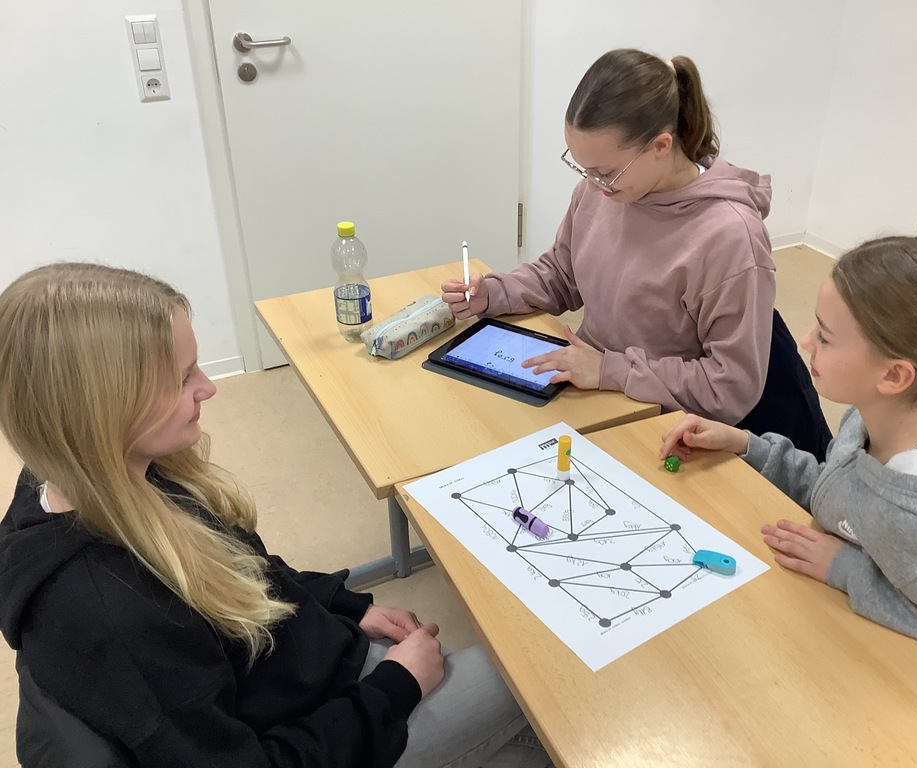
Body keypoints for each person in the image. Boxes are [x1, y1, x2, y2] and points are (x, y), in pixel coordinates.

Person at [0, 262, 552, 767]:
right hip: (312, 733)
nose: (209, 388)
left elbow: (243, 571)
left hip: (306, 674)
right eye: (182, 378)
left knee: (535, 723)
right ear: (102, 410)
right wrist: (395, 687)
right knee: (542, 682)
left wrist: (341, 604)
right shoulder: (112, 613)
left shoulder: (98, 473)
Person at [659, 235, 917, 680]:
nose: (805, 341)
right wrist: (745, 444)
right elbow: (841, 490)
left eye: (826, 337)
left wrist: (854, 573)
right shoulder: (873, 418)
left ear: (895, 375)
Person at [441, 48, 831, 459]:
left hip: (665, 425)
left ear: (661, 145)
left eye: (606, 172)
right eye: (582, 168)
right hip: (595, 393)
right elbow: (560, 274)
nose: (593, 185)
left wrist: (610, 370)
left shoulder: (730, 238)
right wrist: (494, 292)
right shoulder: (603, 192)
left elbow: (728, 387)